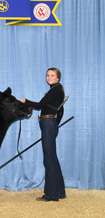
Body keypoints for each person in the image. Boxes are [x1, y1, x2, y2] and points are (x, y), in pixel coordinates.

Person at [19, 68, 65, 202]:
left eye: (52, 75)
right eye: (48, 75)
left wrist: (25, 101)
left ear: (57, 78)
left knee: (49, 160)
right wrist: (55, 123)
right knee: (53, 159)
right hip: (49, 123)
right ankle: (59, 192)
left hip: (48, 123)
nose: (49, 77)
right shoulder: (57, 90)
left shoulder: (55, 90)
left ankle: (51, 195)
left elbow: (40, 105)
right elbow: (61, 110)